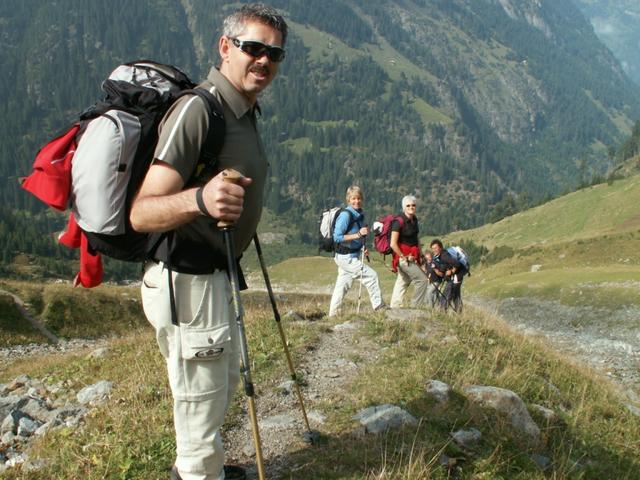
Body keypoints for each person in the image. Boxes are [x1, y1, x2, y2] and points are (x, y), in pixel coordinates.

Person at [129, 4, 288, 480]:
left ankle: (206, 469)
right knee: (199, 401)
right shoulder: (200, 110)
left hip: (211, 277)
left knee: (217, 388)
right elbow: (141, 212)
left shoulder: (242, 108)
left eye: (275, 53)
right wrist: (201, 198)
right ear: (225, 47)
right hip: (187, 282)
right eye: (253, 47)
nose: (264, 60)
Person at [328, 186, 385, 316]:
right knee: (371, 276)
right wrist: (358, 234)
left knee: (342, 286)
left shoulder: (358, 214)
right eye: (353, 198)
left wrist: (361, 248)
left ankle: (333, 314)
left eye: (359, 198)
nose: (356, 201)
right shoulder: (345, 215)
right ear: (348, 200)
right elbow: (337, 237)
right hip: (345, 257)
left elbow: (354, 236)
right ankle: (379, 307)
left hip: (350, 255)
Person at [389, 195, 430, 308]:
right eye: (408, 205)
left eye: (413, 205)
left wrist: (420, 254)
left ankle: (394, 308)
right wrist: (403, 256)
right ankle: (415, 308)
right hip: (403, 258)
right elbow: (393, 244)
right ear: (404, 207)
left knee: (403, 281)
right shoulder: (398, 222)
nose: (411, 207)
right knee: (422, 280)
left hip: (413, 255)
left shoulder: (414, 220)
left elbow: (416, 238)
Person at [430, 239, 465, 312]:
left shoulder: (444, 256)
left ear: (440, 247)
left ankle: (442, 310)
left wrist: (452, 271)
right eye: (433, 248)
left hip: (457, 275)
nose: (434, 250)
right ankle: (459, 311)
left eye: (436, 248)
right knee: (455, 294)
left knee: (448, 292)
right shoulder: (440, 255)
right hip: (456, 275)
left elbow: (457, 263)